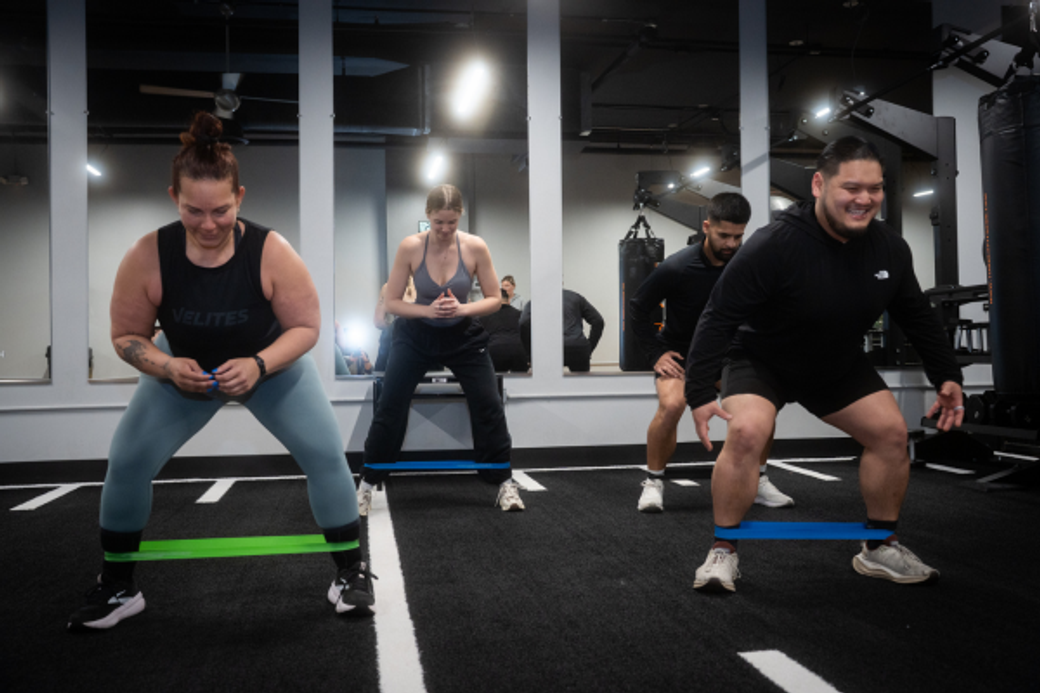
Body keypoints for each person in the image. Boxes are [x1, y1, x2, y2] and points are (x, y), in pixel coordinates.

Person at [67, 113, 374, 632]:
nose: (208, 224)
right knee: (126, 461)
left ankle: (349, 574)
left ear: (241, 198)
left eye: (221, 210)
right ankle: (119, 588)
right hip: (182, 370)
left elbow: (305, 327)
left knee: (325, 456)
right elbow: (126, 338)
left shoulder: (271, 251)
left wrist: (258, 364)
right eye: (193, 210)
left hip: (269, 366)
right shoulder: (148, 255)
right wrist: (166, 366)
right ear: (174, 198)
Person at [684, 136, 964, 593]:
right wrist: (698, 393)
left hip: (835, 362)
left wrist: (947, 374)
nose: (864, 199)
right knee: (748, 431)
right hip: (761, 360)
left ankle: (879, 546)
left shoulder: (890, 248)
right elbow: (719, 316)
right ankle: (724, 550)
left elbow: (916, 315)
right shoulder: (773, 245)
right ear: (819, 184)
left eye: (874, 189)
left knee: (891, 435)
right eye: (851, 187)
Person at [356, 184, 525, 514]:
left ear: (460, 215)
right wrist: (428, 311)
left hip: (463, 335)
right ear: (428, 216)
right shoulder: (410, 247)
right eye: (438, 223)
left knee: (489, 403)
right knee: (390, 405)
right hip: (415, 335)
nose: (446, 229)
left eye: (451, 222)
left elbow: (494, 299)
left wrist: (462, 309)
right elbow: (391, 302)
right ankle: (366, 484)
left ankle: (504, 482)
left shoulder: (475, 247)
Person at [629, 192, 794, 512]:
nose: (731, 244)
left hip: (729, 354)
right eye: (724, 235)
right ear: (707, 226)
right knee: (673, 404)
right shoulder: (677, 266)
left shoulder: (750, 266)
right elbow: (638, 308)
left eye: (738, 236)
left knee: (763, 410)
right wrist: (654, 354)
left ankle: (758, 480)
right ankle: (653, 482)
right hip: (681, 354)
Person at [519, 288, 605, 372]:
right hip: (577, 346)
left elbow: (523, 323)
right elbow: (598, 321)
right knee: (581, 384)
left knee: (549, 384)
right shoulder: (575, 297)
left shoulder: (537, 300)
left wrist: (530, 353)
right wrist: (589, 347)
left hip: (549, 348)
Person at [373, 276, 416, 372]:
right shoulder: (427, 287)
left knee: (384, 376)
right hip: (424, 340)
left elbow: (378, 321)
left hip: (395, 341)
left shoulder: (388, 287)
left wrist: (393, 326)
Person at [479, 289, 528, 372]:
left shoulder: (484, 316)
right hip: (518, 351)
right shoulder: (519, 314)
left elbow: (480, 338)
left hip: (494, 351)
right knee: (522, 382)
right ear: (509, 300)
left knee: (495, 382)